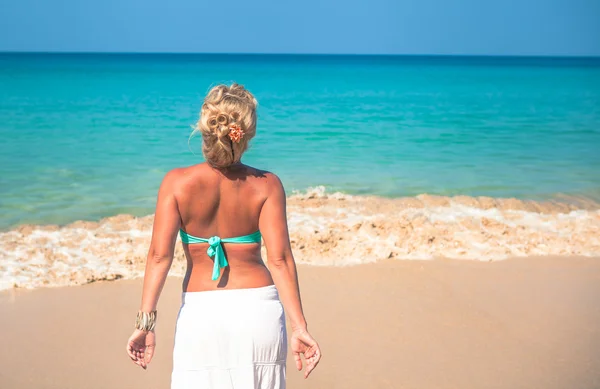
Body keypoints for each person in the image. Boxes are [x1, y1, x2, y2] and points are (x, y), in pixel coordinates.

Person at [126, 83, 321, 388]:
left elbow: (159, 257)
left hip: (201, 316)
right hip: (259, 314)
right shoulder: (267, 184)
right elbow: (280, 260)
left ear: (205, 130)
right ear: (246, 135)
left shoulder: (176, 183)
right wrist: (299, 327)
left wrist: (145, 323)